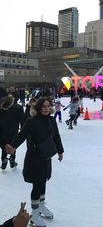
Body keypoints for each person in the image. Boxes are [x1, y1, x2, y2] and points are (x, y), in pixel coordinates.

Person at [5, 97, 64, 227]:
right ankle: (35, 214)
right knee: (37, 184)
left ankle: (42, 206)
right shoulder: (32, 122)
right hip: (34, 158)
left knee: (43, 181)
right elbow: (22, 135)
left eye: (48, 106)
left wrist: (60, 151)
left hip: (46, 157)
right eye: (43, 106)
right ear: (38, 108)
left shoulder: (51, 120)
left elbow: (56, 136)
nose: (46, 108)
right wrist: (13, 146)